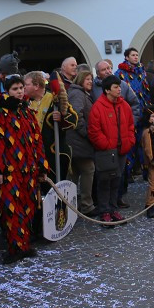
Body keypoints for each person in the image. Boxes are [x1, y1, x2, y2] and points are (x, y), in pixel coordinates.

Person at [0, 75, 48, 262]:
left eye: (21, 87)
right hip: (10, 170)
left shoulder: (27, 111)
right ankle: (15, 248)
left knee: (28, 207)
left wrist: (42, 166)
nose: (19, 91)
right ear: (6, 91)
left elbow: (38, 140)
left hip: (29, 170)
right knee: (12, 209)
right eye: (15, 89)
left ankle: (24, 244)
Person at [88, 75, 136, 223]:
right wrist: (107, 145)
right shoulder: (98, 107)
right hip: (106, 152)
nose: (119, 89)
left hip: (121, 150)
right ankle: (104, 211)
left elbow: (130, 126)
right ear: (107, 90)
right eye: (116, 87)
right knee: (104, 182)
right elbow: (94, 131)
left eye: (119, 86)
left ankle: (114, 209)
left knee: (117, 181)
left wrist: (129, 141)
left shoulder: (124, 105)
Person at [65, 69, 96, 215]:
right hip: (78, 141)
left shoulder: (80, 93)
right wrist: (88, 134)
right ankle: (86, 206)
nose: (90, 81)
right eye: (87, 79)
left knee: (74, 174)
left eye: (91, 79)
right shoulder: (77, 94)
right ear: (80, 80)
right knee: (87, 170)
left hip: (76, 142)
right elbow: (76, 116)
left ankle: (70, 206)